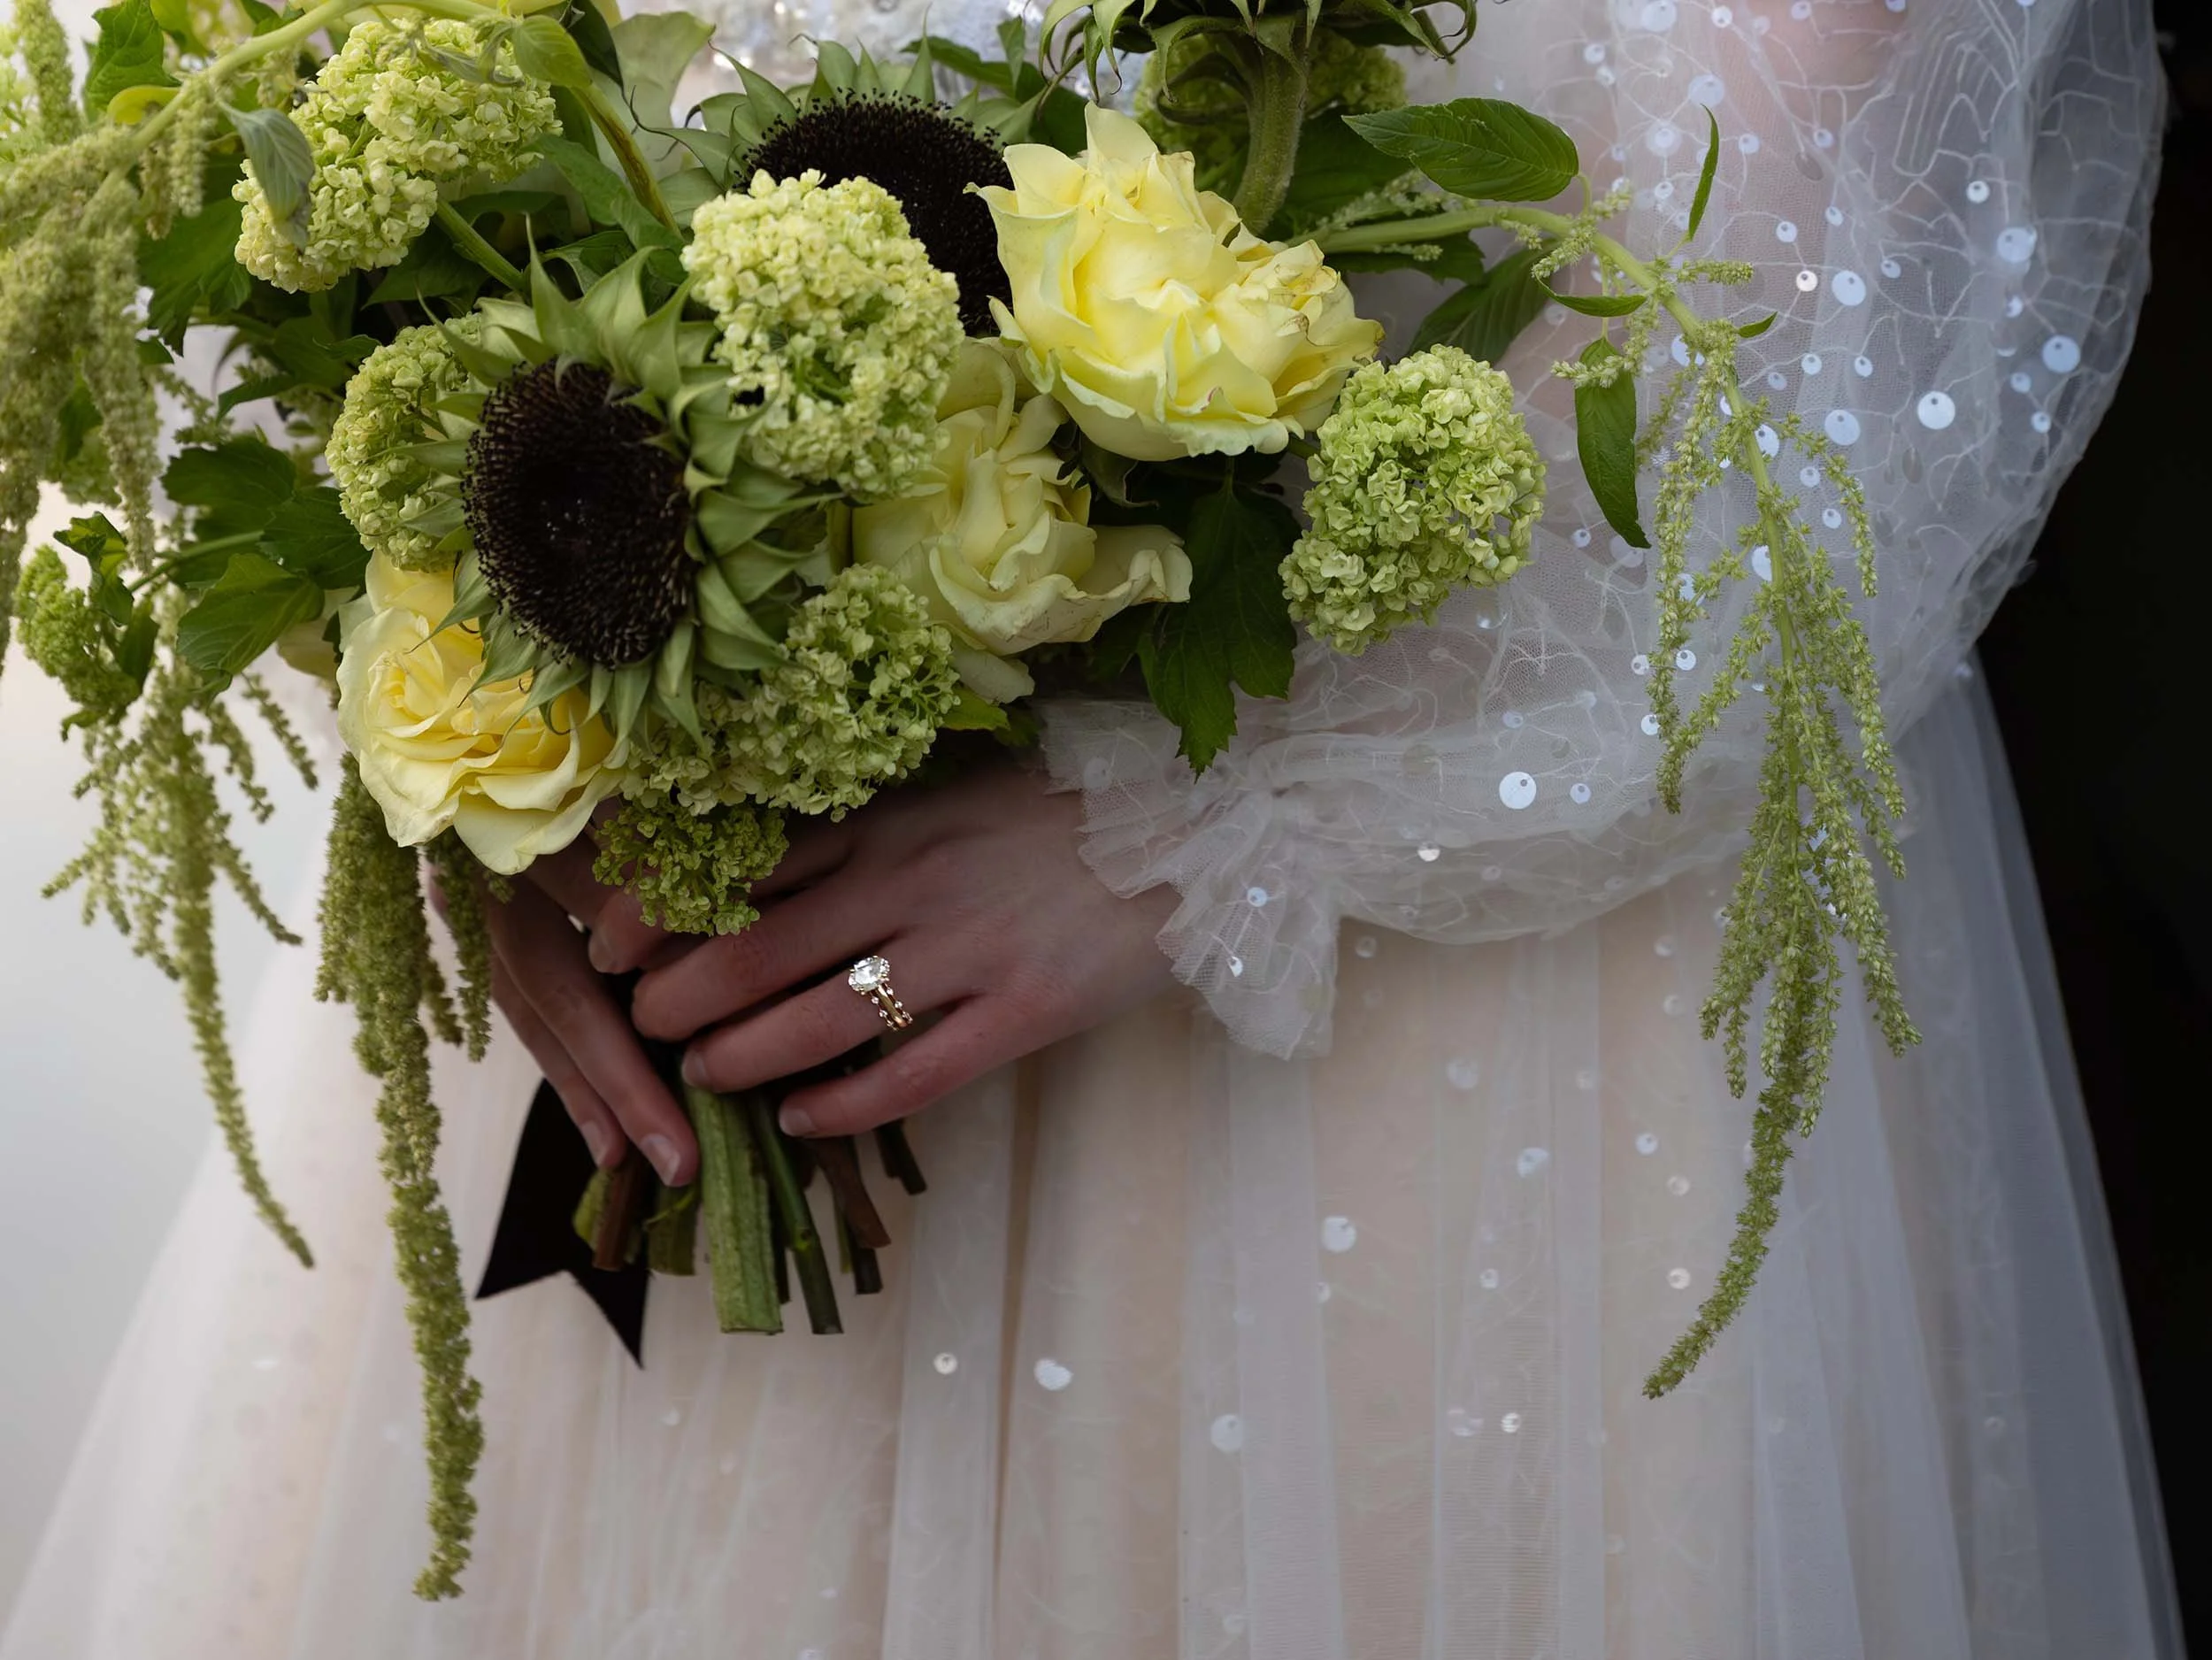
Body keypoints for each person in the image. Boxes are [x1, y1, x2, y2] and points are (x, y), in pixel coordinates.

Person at [0, 0, 2180, 1655]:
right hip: (658, 893)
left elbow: (1864, 250)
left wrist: (1219, 825)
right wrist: (478, 720)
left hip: (1438, 989)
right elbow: (257, 107)